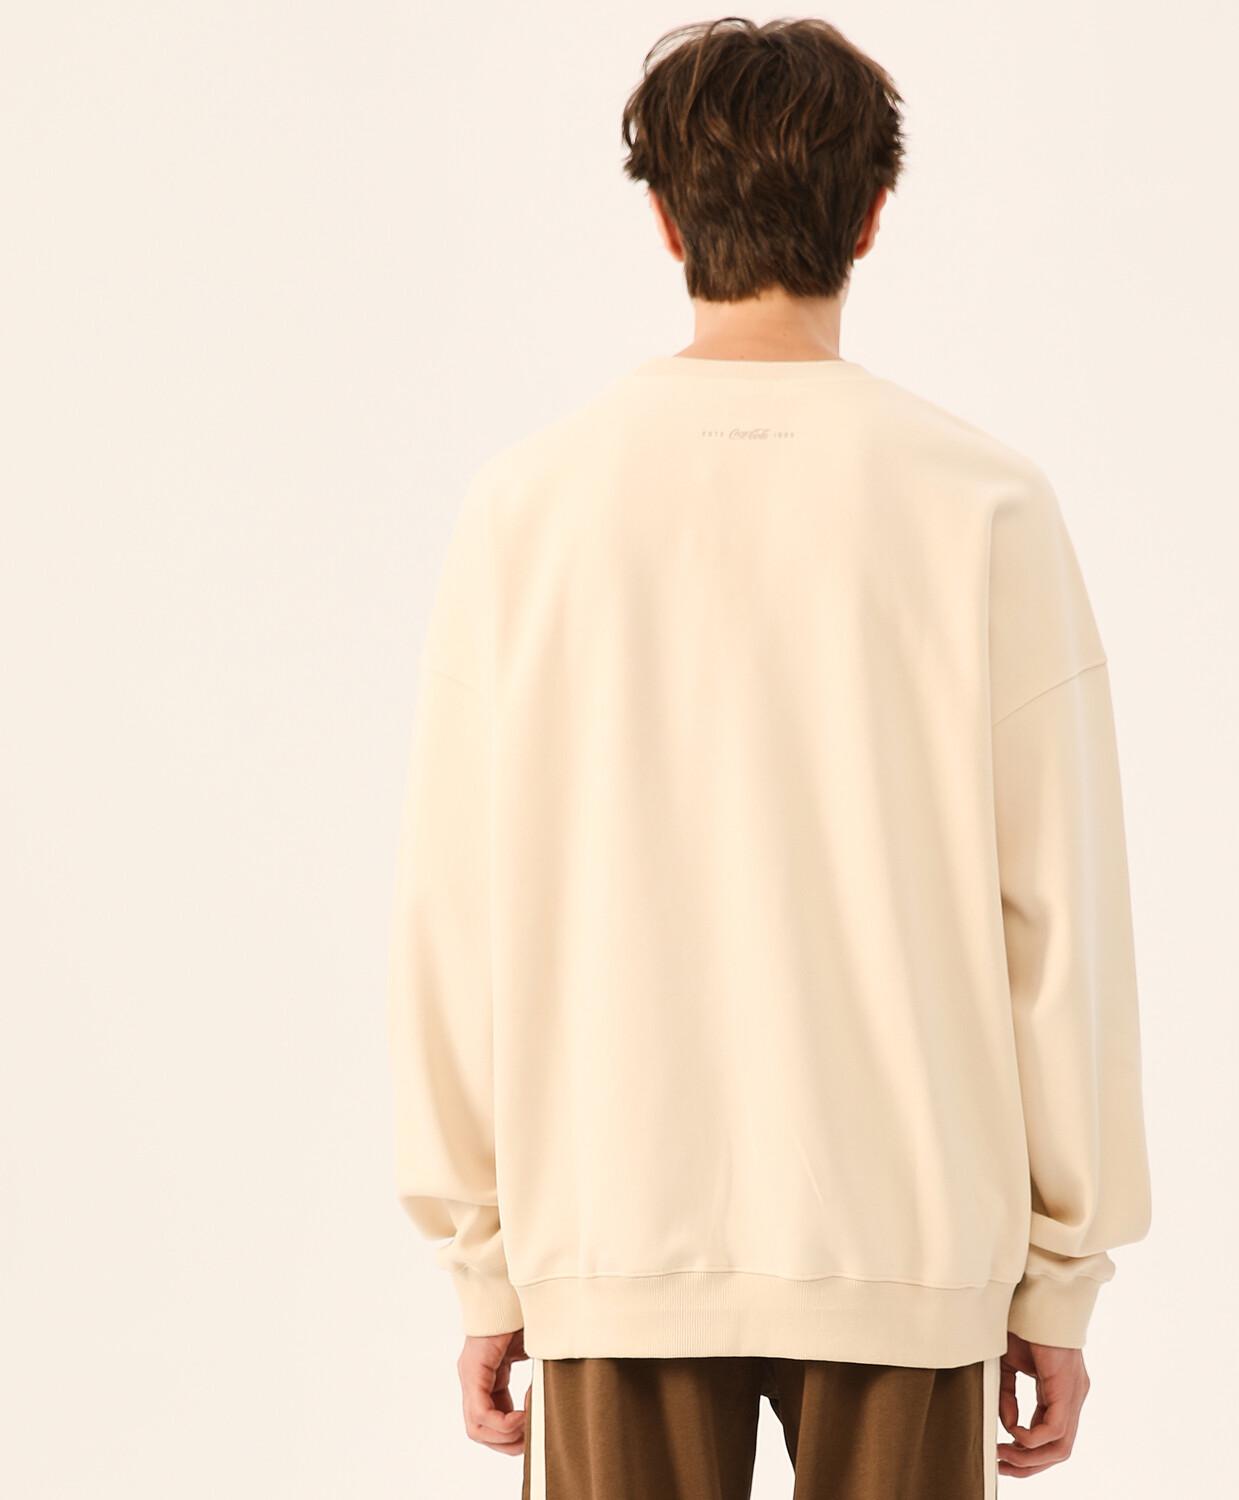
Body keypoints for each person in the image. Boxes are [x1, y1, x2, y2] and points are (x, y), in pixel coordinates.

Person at [385, 16, 1151, 1497]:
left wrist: (483, 1259)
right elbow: (1063, 924)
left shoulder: (528, 510)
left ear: (666, 221)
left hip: (611, 1229)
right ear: (872, 216)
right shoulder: (985, 506)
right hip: (909, 1236)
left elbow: (454, 918)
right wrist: (1060, 1277)